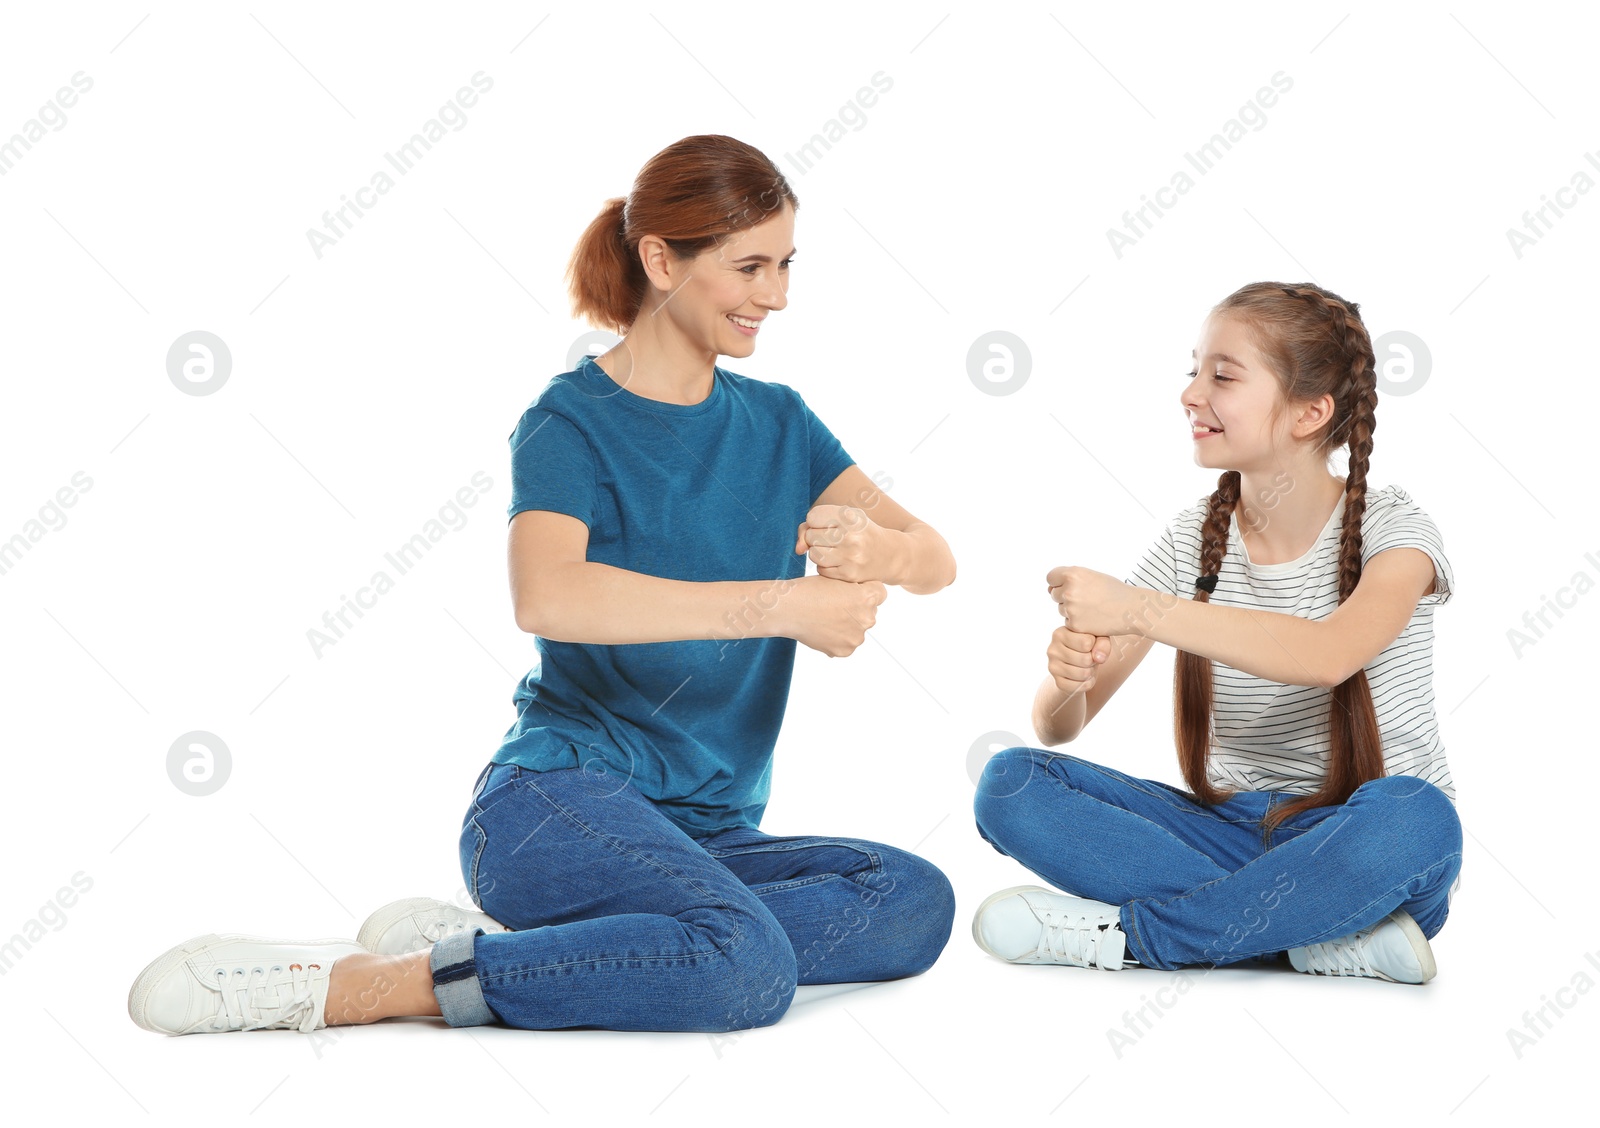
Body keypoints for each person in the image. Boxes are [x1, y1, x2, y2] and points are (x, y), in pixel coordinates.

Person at [128, 134, 957, 1036]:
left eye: (788, 265)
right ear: (660, 259)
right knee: (744, 966)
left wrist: (881, 551)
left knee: (912, 902)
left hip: (708, 835)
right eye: (749, 266)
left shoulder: (781, 422)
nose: (778, 295)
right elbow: (549, 596)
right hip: (553, 807)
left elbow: (936, 557)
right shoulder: (569, 422)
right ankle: (364, 986)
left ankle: (561, 947)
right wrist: (781, 606)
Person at [970, 281, 1462, 984]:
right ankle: (1309, 933)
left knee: (1418, 818)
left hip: (1355, 836)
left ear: (1308, 412)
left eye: (1222, 376)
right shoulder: (1190, 540)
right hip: (1222, 831)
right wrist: (1068, 680)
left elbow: (1327, 655)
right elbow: (1057, 728)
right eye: (1194, 371)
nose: (1191, 394)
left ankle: (1138, 938)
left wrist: (1138, 610)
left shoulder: (1397, 532)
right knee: (1012, 784)